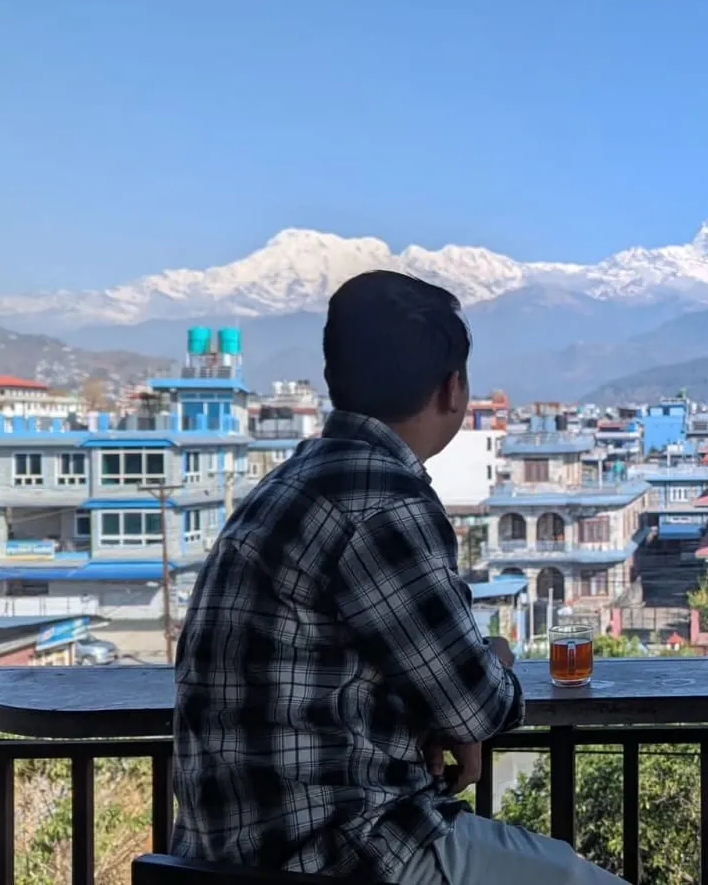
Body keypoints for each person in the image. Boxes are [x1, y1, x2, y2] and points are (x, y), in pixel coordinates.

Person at [172, 270, 623, 885]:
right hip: (348, 851)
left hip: (217, 859)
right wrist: (495, 657)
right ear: (452, 389)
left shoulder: (291, 479)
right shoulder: (381, 497)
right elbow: (477, 704)